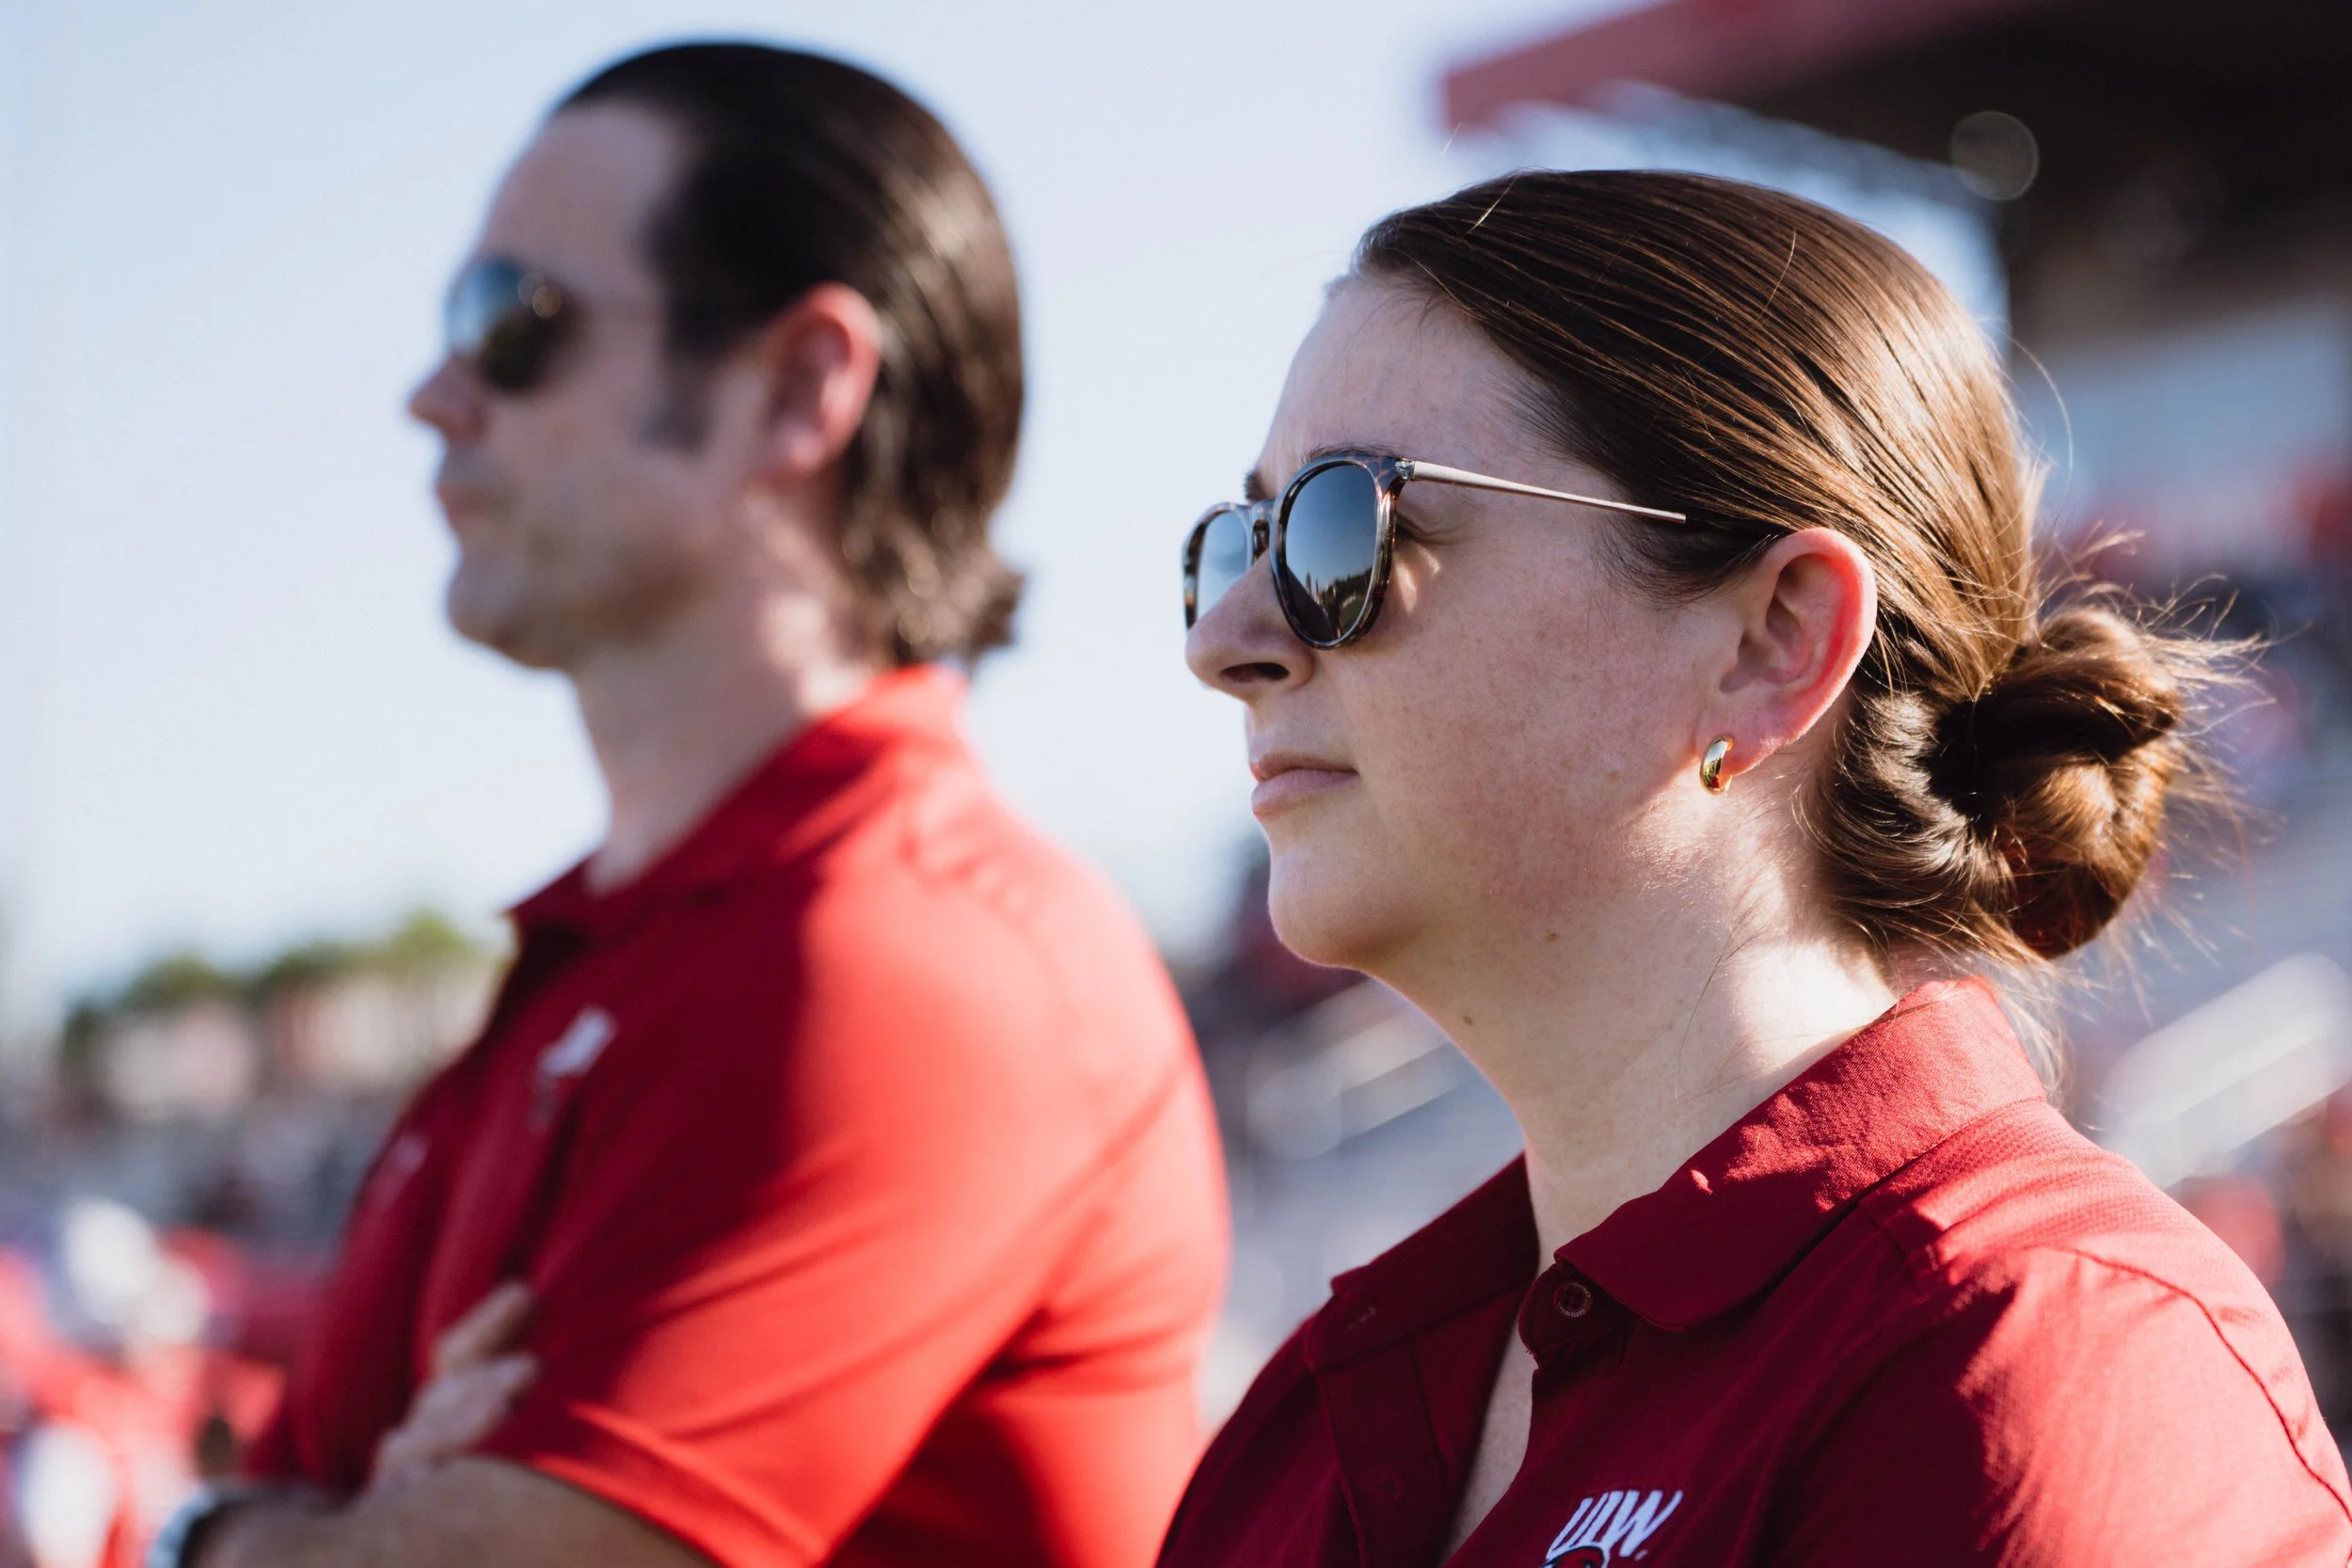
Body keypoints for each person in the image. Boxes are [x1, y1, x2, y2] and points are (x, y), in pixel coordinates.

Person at [1162, 170, 2352, 1565]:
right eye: (1236, 540)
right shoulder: (1313, 1410)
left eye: (1340, 528)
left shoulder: (2033, 1355)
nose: (1226, 638)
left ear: (1771, 641)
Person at [151, 40, 1228, 1568]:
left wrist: (242, 1532)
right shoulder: (607, 956)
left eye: (512, 321)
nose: (431, 397)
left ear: (798, 388)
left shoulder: (906, 962)